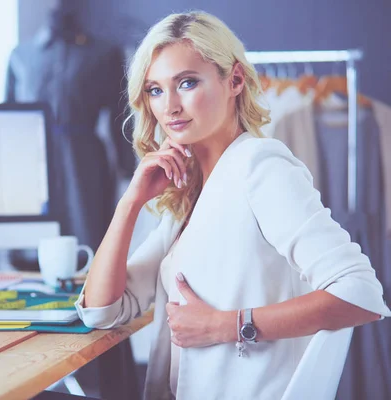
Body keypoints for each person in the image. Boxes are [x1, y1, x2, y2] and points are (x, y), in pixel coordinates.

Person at [74, 10, 391, 400]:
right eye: (155, 90)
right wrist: (131, 202)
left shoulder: (261, 167)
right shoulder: (192, 194)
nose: (169, 105)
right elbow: (101, 310)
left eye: (186, 83)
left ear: (235, 80)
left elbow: (360, 294)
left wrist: (225, 326)